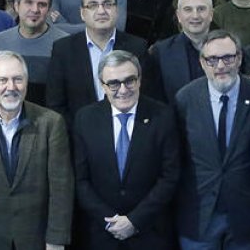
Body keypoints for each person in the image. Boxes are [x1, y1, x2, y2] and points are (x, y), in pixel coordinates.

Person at [0, 51, 75, 250]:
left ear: (27, 82)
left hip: (38, 240)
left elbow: (61, 188)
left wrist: (56, 241)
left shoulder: (51, 123)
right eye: (3, 80)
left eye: (18, 79)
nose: (11, 87)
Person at [73, 50, 181, 250]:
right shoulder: (85, 119)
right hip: (101, 234)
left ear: (140, 80)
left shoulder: (163, 116)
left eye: (129, 81)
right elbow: (80, 180)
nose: (123, 90)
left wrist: (135, 221)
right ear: (102, 85)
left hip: (151, 233)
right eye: (113, 83)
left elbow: (170, 176)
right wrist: (110, 221)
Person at [174, 30, 250, 250]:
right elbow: (177, 158)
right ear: (202, 63)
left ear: (239, 58)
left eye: (228, 58)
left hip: (246, 215)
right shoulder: (185, 98)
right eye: (212, 59)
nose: (221, 66)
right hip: (199, 215)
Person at [48, 0, 150, 123]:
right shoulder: (63, 50)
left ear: (116, 10)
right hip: (79, 137)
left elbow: (147, 99)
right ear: (82, 13)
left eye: (108, 4)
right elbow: (56, 105)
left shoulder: (137, 47)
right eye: (93, 5)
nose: (101, 11)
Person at [0, 0, 70, 106]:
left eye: (42, 5)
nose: (35, 9)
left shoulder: (66, 43)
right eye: (29, 2)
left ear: (49, 10)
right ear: (16, 5)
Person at [150, 0, 214, 102]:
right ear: (179, 16)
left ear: (211, 14)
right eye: (188, 9)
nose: (195, 16)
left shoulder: (229, 49)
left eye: (201, 9)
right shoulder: (161, 52)